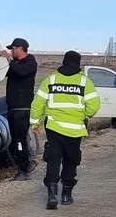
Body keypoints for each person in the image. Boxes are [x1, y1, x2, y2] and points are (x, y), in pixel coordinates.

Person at [30, 51, 101, 209]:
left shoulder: (51, 79)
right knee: (71, 161)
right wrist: (84, 115)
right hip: (75, 129)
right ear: (78, 63)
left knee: (53, 159)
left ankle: (52, 195)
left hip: (54, 128)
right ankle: (66, 196)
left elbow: (38, 103)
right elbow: (94, 106)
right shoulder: (84, 81)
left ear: (64, 61)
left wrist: (35, 123)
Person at [0, 37, 38, 181]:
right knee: (16, 139)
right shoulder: (15, 64)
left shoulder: (30, 62)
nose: (11, 51)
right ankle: (25, 164)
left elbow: (22, 72)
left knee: (20, 140)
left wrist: (9, 59)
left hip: (22, 108)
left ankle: (23, 170)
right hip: (13, 107)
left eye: (13, 49)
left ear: (20, 48)